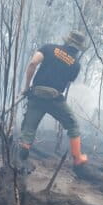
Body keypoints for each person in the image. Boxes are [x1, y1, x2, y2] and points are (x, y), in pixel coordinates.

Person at [18, 30, 89, 168]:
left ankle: (23, 152)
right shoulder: (76, 64)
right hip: (55, 99)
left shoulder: (48, 48)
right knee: (73, 125)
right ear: (79, 48)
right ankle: (78, 158)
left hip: (36, 95)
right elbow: (68, 80)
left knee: (29, 129)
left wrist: (27, 87)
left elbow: (33, 63)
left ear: (67, 40)